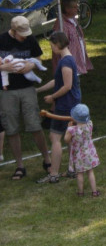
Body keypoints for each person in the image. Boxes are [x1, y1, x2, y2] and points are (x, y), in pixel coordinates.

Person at [0, 16, 52, 180]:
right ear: (13, 30)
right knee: (12, 128)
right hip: (7, 91)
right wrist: (4, 67)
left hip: (27, 88)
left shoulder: (30, 39)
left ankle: (47, 160)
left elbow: (38, 57)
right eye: (21, 34)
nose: (24, 36)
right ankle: (20, 166)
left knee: (34, 125)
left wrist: (31, 65)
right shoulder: (1, 39)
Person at [36, 30, 82, 184]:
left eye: (51, 45)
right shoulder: (66, 60)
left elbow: (67, 86)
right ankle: (72, 169)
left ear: (58, 44)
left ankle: (54, 173)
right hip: (69, 103)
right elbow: (58, 81)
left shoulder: (66, 62)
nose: (51, 48)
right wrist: (40, 89)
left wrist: (52, 97)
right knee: (70, 138)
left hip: (66, 105)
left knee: (55, 137)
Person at [64, 103, 100, 197]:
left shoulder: (72, 129)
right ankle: (94, 192)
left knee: (80, 173)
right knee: (90, 172)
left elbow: (66, 140)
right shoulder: (90, 124)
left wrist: (68, 129)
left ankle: (80, 192)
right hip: (89, 153)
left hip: (79, 155)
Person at [52, 0, 93, 75]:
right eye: (74, 7)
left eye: (77, 6)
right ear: (67, 9)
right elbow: (60, 46)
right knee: (72, 84)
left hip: (77, 57)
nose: (77, 9)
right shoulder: (61, 24)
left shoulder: (73, 19)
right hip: (69, 62)